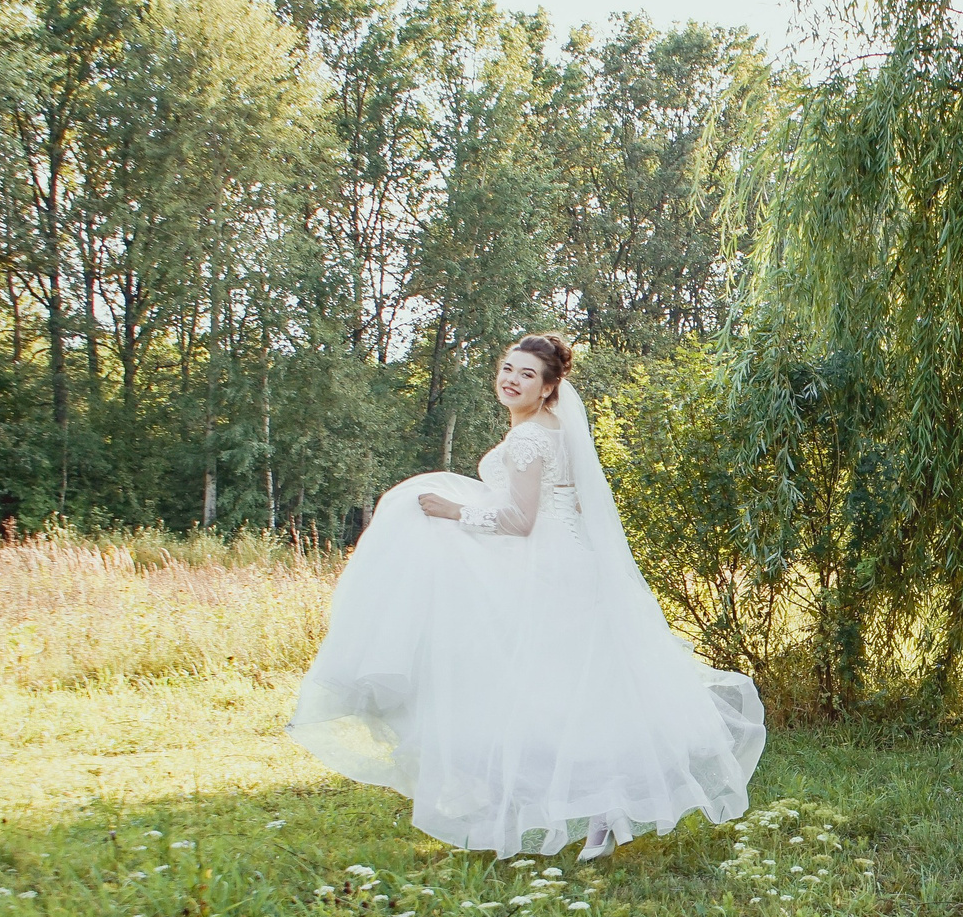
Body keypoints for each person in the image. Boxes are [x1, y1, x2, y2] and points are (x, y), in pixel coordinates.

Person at [289, 332, 765, 860]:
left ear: (549, 386)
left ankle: (528, 802)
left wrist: (452, 513)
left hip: (545, 566)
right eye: (508, 368)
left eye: (527, 375)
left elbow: (518, 520)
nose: (511, 380)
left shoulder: (529, 439)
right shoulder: (556, 429)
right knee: (584, 691)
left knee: (536, 690)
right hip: (571, 559)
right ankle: (602, 812)